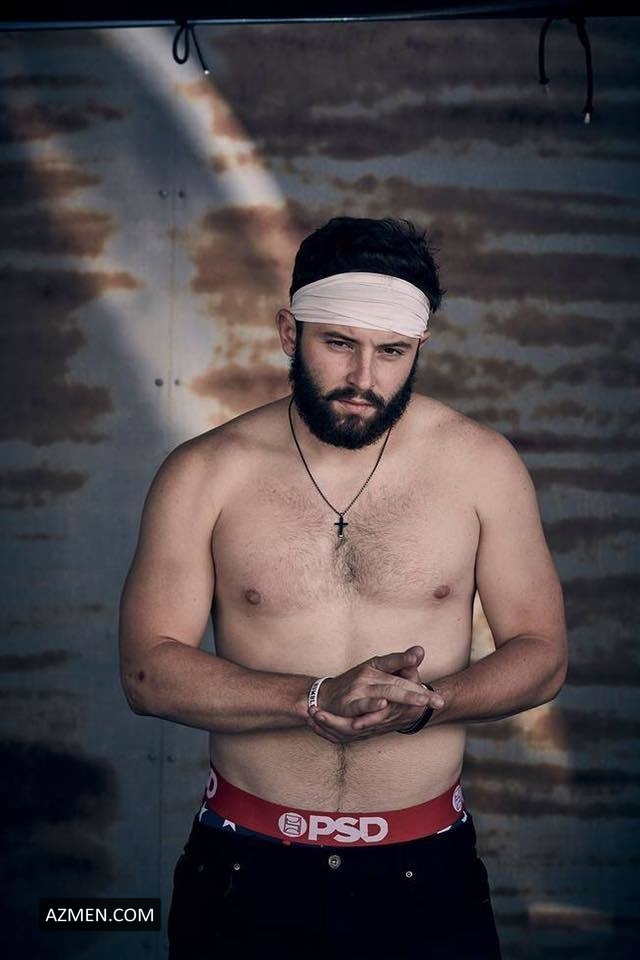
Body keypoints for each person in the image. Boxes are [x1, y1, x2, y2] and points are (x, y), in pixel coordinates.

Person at [119, 217, 567, 959]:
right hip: (245, 869)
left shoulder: (481, 467)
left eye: (392, 351)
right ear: (289, 332)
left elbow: (543, 654)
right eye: (338, 343)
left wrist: (431, 705)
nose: (364, 378)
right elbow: (146, 672)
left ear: (418, 346)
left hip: (427, 872)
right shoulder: (205, 473)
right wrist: (313, 697)